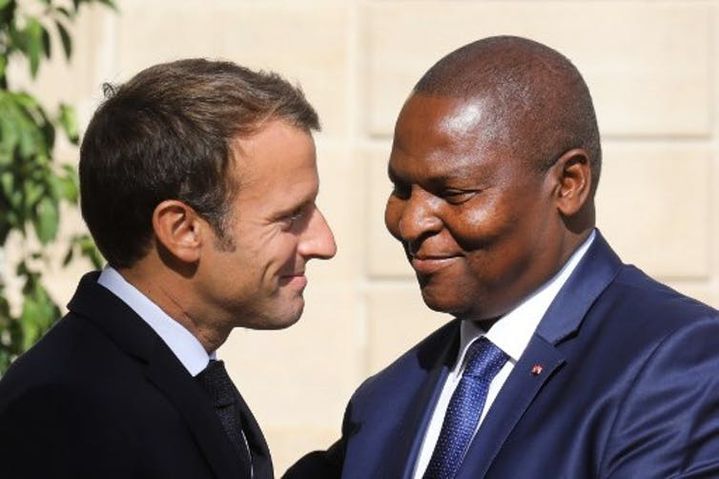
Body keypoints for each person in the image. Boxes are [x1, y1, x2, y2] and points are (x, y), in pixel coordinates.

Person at [286, 36, 719, 478]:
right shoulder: (384, 403)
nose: (411, 222)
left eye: (453, 193)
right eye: (402, 189)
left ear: (568, 183)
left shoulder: (679, 364)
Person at [0, 59, 336, 479]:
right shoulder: (66, 409)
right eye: (290, 217)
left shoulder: (161, 374)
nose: (324, 243)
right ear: (182, 230)